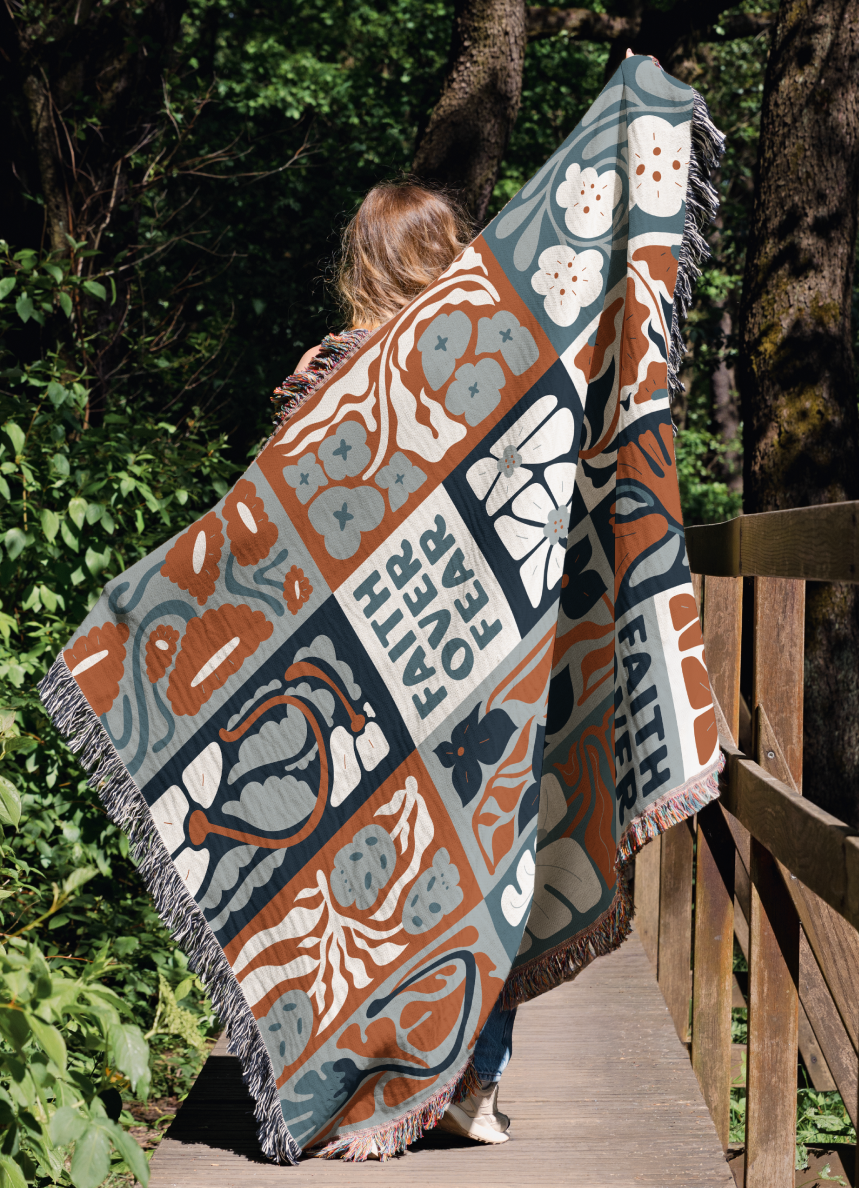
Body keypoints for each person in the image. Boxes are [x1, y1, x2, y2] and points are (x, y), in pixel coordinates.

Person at [273, 180, 517, 1149]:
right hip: (464, 656)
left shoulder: (320, 372)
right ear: (444, 255)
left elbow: (283, 525)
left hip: (354, 672)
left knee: (364, 880)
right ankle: (475, 1086)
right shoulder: (480, 365)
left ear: (360, 263)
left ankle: (361, 1081)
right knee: (479, 866)